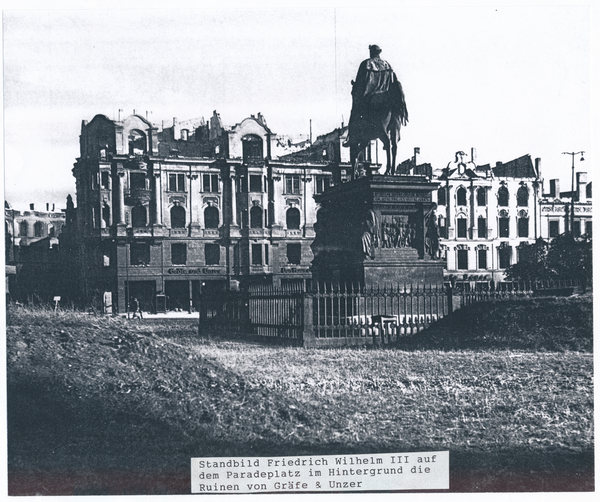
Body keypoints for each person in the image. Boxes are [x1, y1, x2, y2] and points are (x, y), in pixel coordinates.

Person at [344, 44, 408, 147]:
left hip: (368, 97)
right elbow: (393, 82)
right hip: (385, 96)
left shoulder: (366, 64)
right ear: (379, 53)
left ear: (371, 52)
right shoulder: (387, 65)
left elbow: (360, 83)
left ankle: (352, 138)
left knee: (355, 112)